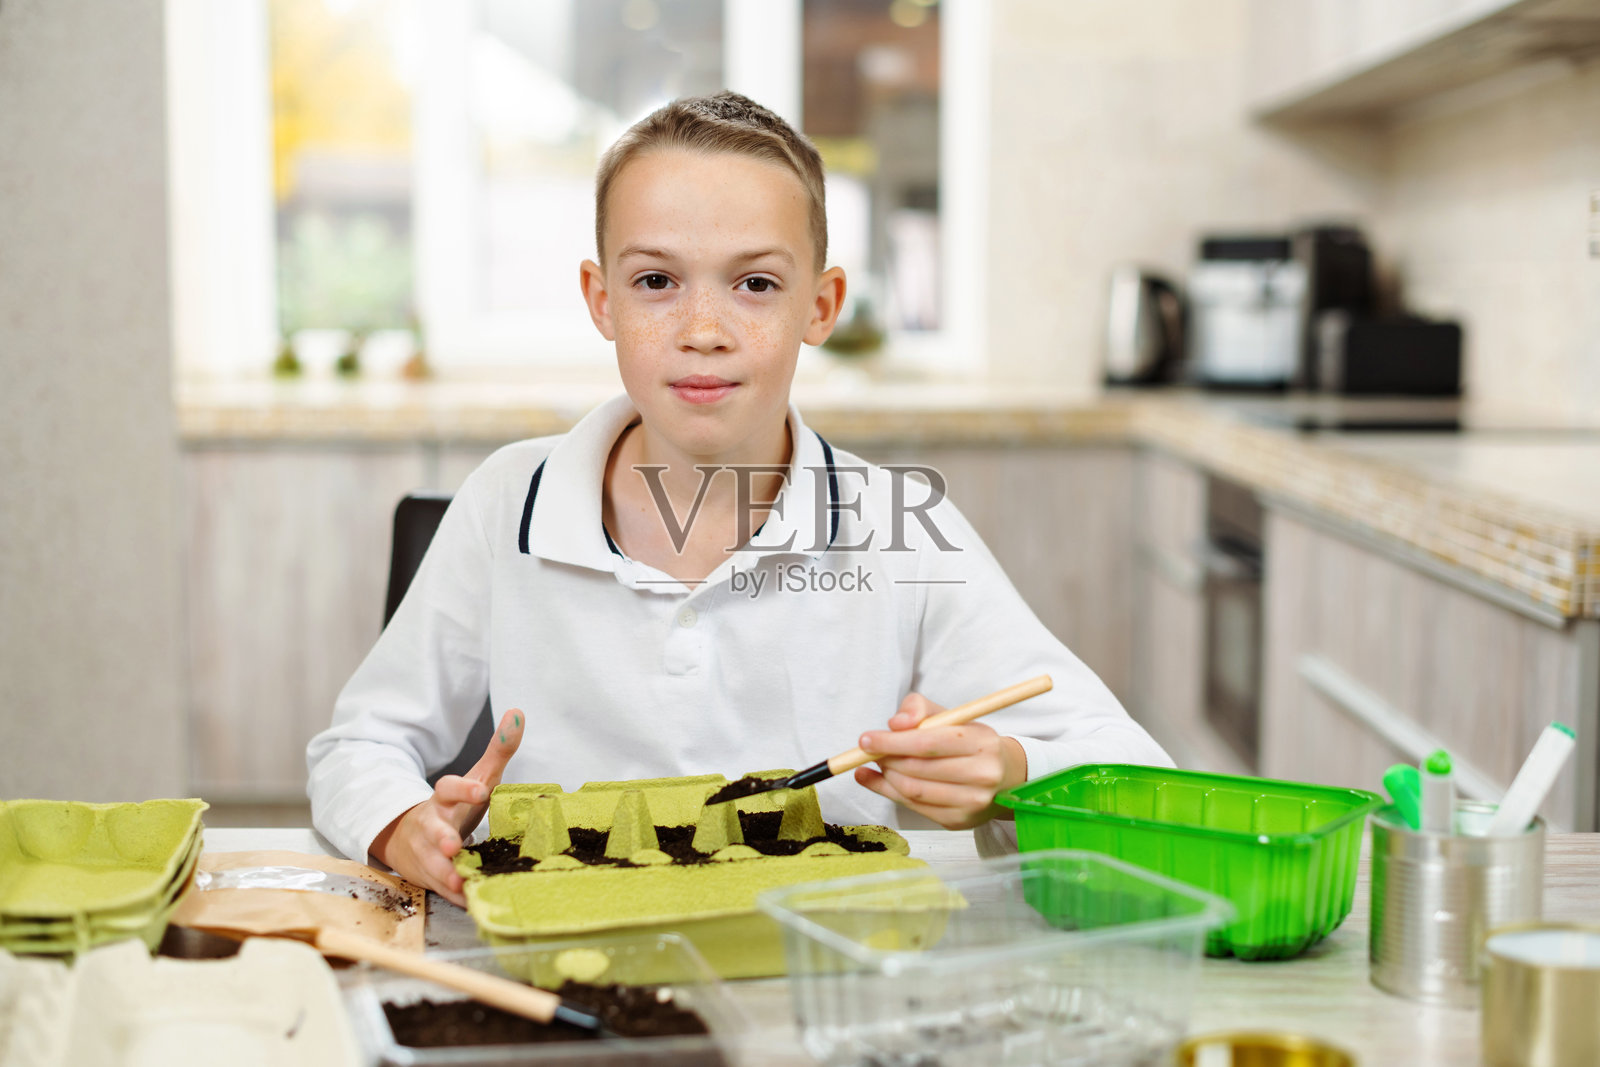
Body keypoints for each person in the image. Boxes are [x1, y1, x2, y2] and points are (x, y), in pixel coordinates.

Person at [306, 91, 1171, 906]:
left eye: (755, 284)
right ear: (601, 301)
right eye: (657, 282)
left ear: (820, 306)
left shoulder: (899, 530)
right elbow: (359, 746)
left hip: (816, 966)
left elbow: (1135, 771)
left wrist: (1010, 775)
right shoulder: (506, 502)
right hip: (551, 958)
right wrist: (400, 823)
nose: (704, 331)